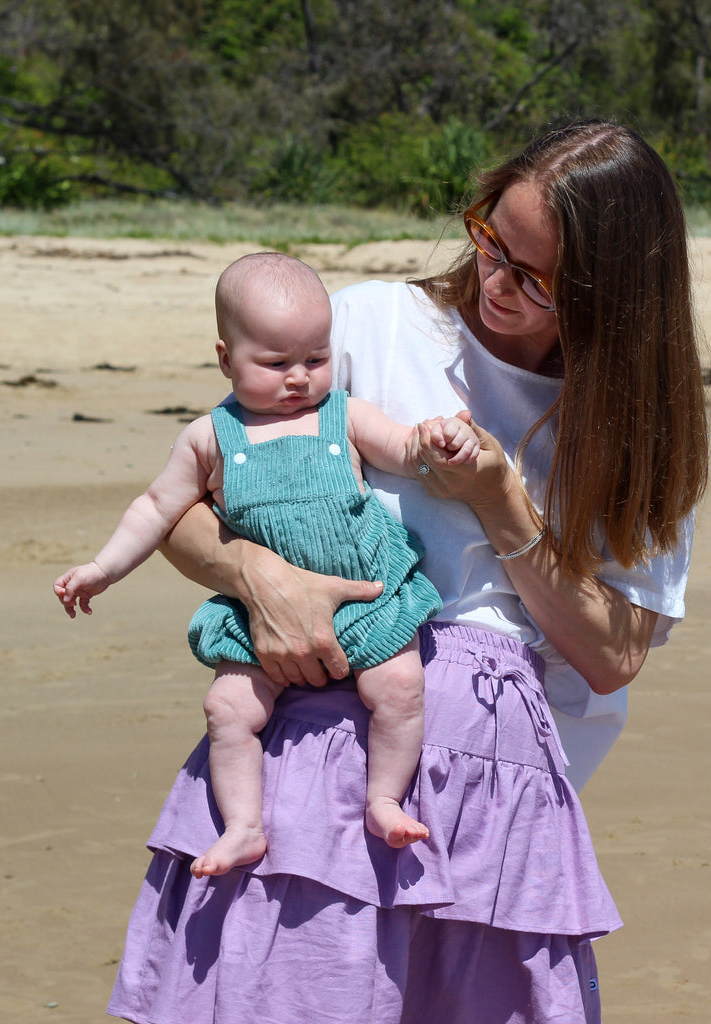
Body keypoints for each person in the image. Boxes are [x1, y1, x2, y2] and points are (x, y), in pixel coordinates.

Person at [107, 118, 708, 1024]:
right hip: (310, 765)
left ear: (613, 294)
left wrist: (502, 499)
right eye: (491, 242)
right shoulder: (365, 327)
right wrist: (257, 578)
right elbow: (187, 499)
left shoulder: (633, 422)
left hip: (496, 799)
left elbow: (613, 656)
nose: (498, 283)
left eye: (537, 278)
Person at [55, 252, 480, 876]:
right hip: (260, 614)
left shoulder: (343, 415)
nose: (299, 379)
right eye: (275, 363)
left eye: (315, 359)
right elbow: (155, 509)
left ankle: (385, 798)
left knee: (400, 687)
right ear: (226, 358)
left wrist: (435, 441)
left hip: (366, 592)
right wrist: (103, 567)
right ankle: (244, 827)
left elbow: (403, 447)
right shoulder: (211, 437)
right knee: (229, 709)